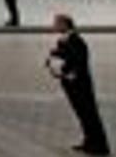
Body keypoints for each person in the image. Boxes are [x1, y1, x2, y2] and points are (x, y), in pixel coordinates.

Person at [46, 13, 109, 155]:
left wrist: (65, 69)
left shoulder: (76, 40)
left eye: (56, 23)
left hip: (80, 85)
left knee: (90, 115)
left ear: (64, 24)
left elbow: (79, 61)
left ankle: (100, 147)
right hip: (71, 84)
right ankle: (89, 142)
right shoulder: (63, 40)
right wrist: (51, 63)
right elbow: (60, 56)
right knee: (82, 115)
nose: (53, 26)